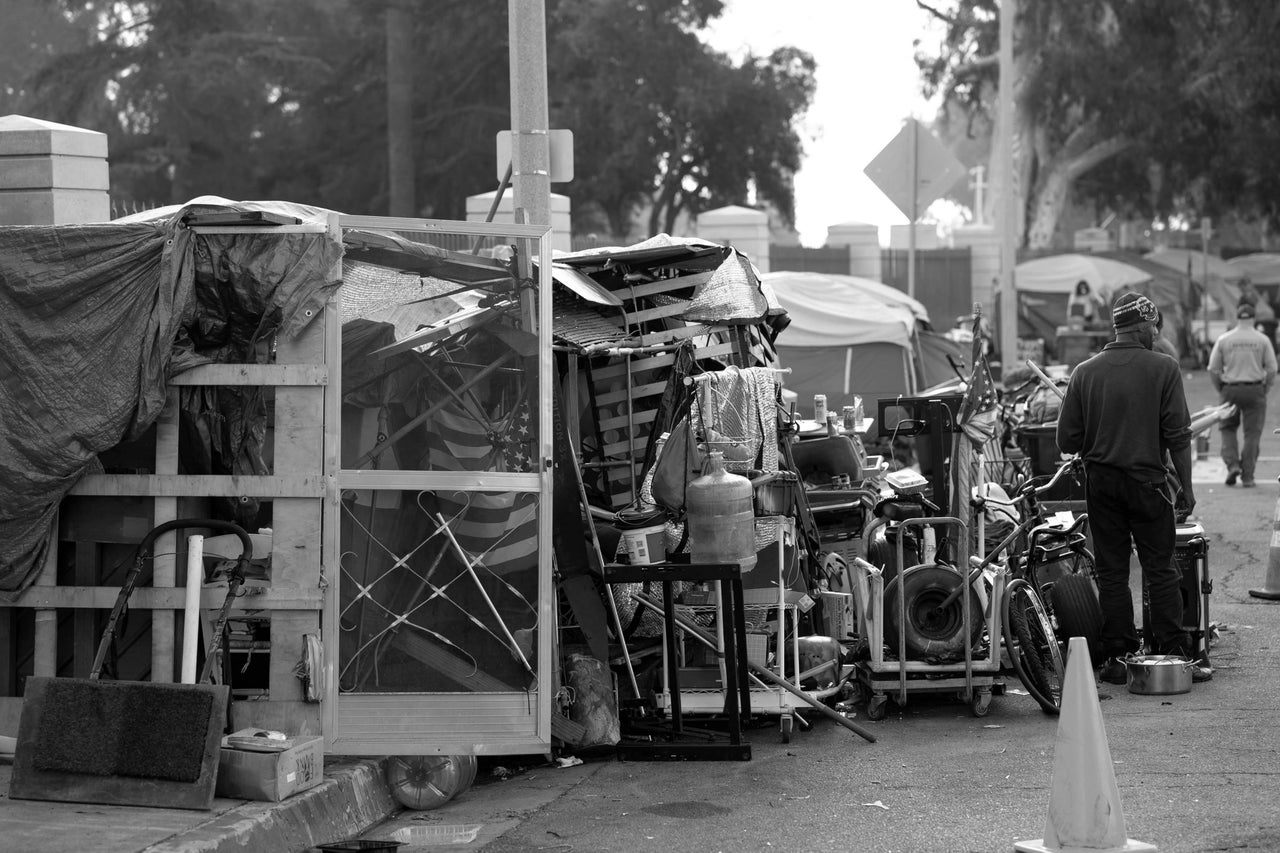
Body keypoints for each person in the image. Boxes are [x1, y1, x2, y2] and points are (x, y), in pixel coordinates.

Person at [1056, 292, 1209, 683]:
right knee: (1159, 568)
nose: (1155, 335)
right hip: (1148, 483)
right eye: (1153, 328)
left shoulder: (1085, 372)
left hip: (1102, 485)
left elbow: (1066, 441)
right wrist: (1186, 489)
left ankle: (1118, 656)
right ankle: (1172, 651)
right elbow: (1179, 436)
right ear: (1141, 327)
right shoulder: (1164, 368)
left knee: (1111, 573)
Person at [1208, 302, 1276, 488]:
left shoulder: (1224, 339)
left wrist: (1221, 388)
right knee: (1252, 433)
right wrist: (1265, 387)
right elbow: (1272, 368)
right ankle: (1248, 476)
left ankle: (1232, 465)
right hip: (1255, 389)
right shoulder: (1262, 340)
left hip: (1230, 388)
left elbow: (1213, 368)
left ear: (1238, 318)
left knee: (1228, 428)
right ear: (1253, 319)